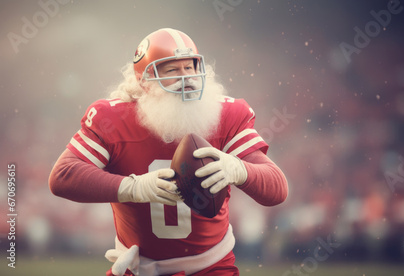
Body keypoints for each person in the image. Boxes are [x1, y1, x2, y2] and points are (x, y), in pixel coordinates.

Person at [48, 28, 288, 276]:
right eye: (172, 70)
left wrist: (239, 170)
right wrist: (134, 187)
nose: (187, 79)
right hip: (137, 268)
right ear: (145, 81)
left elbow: (277, 189)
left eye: (190, 67)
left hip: (211, 268)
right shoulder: (113, 118)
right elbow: (63, 176)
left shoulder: (226, 114)